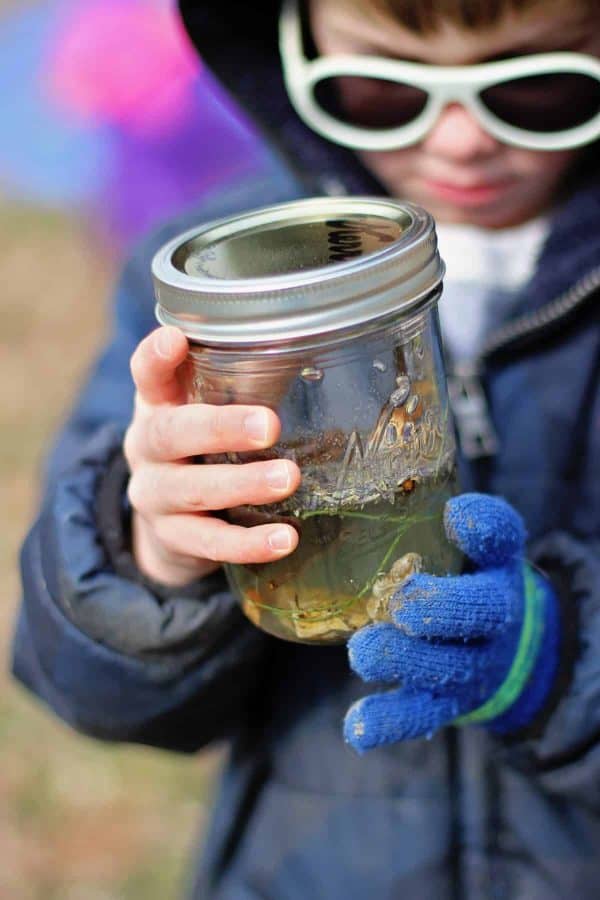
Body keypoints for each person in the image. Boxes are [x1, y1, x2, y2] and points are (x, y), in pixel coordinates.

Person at [12, 0, 600, 896]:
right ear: (293, 44)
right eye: (378, 89)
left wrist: (560, 664)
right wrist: (155, 554)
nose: (459, 141)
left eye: (537, 87)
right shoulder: (210, 295)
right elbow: (96, 694)